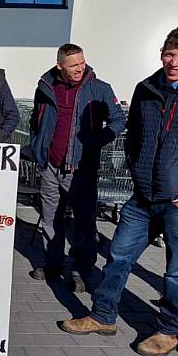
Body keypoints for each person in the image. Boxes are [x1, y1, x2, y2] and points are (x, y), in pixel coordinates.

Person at [60, 26, 178, 356]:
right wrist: (137, 174)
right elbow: (134, 136)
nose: (175, 62)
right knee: (118, 255)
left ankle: (168, 330)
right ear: (162, 54)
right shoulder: (146, 88)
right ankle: (103, 314)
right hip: (143, 197)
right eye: (170, 54)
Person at [26, 43, 126, 291]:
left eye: (82, 63)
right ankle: (53, 263)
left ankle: (82, 269)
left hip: (81, 168)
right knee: (50, 218)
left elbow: (118, 120)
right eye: (73, 66)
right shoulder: (46, 87)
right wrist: (38, 147)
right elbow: (35, 120)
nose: (80, 68)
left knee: (83, 222)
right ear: (60, 66)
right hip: (49, 165)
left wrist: (97, 140)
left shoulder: (99, 89)